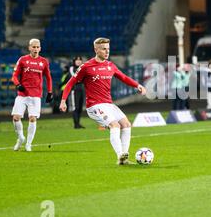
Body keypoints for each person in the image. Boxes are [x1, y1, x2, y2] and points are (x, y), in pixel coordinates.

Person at [59, 37, 146, 165]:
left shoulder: (110, 65)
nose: (107, 52)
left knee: (126, 124)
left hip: (108, 105)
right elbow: (70, 83)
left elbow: (124, 77)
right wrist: (63, 101)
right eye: (104, 49)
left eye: (108, 49)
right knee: (114, 125)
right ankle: (120, 156)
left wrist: (137, 85)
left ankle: (125, 159)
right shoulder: (86, 66)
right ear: (96, 49)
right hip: (94, 106)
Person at [11, 39, 53, 152]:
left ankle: (28, 144)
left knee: (32, 119)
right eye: (33, 47)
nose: (35, 49)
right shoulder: (23, 60)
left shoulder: (43, 61)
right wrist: (18, 85)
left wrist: (50, 92)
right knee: (15, 117)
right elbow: (14, 76)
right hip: (22, 94)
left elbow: (48, 78)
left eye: (37, 47)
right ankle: (20, 138)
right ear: (29, 47)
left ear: (40, 48)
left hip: (36, 95)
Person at [60, 56, 86, 128]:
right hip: (74, 90)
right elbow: (73, 77)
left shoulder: (82, 68)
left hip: (81, 89)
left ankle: (78, 123)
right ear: (74, 61)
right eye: (77, 60)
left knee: (80, 108)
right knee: (75, 107)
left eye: (80, 60)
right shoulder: (71, 68)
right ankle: (76, 124)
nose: (78, 61)